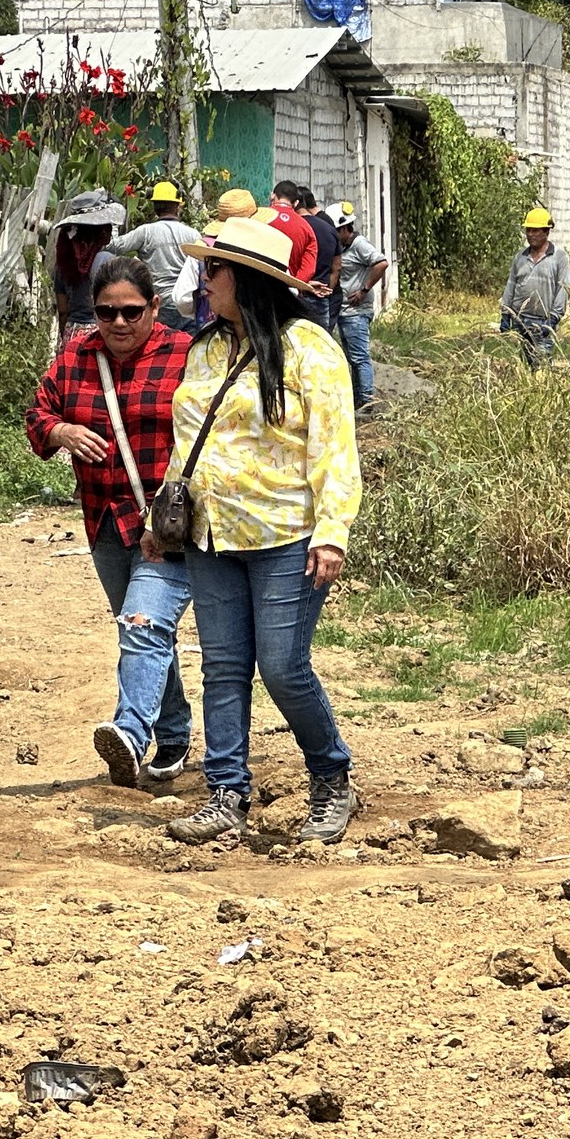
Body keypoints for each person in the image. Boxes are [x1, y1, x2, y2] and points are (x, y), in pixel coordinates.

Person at [159, 214, 361, 847]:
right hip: (210, 534)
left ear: (247, 279)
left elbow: (334, 447)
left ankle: (331, 777)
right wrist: (165, 514)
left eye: (214, 269)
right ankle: (225, 793)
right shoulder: (204, 348)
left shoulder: (309, 349)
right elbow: (189, 439)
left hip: (286, 535)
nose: (204, 279)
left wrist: (332, 530)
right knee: (222, 668)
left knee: (282, 667)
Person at [25, 256, 194, 787]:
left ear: (155, 307)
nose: (119, 323)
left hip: (168, 526)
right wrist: (60, 433)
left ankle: (130, 734)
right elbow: (38, 413)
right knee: (142, 631)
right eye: (106, 312)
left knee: (143, 623)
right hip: (104, 520)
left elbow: (210, 436)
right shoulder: (77, 356)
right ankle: (174, 731)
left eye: (131, 312)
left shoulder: (186, 355)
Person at [106, 181, 202, 331]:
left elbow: (114, 246)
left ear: (155, 206)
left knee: (162, 343)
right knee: (191, 342)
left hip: (159, 303)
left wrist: (113, 221)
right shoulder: (193, 235)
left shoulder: (146, 232)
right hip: (186, 301)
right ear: (177, 206)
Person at [171, 188, 261, 324]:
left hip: (212, 326)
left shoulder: (204, 250)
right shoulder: (264, 248)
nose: (205, 276)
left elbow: (182, 299)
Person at [499, 205, 570, 368]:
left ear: (546, 232)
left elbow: (564, 288)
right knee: (522, 364)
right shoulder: (520, 257)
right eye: (528, 230)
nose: (530, 234)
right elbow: (511, 284)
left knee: (542, 364)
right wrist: (505, 313)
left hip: (543, 321)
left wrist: (554, 318)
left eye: (535, 230)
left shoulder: (559, 257)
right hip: (519, 319)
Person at [330, 207, 387, 412]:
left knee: (360, 358)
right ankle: (358, 400)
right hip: (345, 311)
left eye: (336, 231)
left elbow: (381, 263)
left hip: (357, 312)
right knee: (352, 358)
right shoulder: (343, 247)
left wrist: (364, 289)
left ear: (345, 228)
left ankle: (367, 402)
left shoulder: (359, 245)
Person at [51, 190, 125, 340]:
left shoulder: (63, 263)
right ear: (101, 231)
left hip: (71, 331)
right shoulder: (106, 261)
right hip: (98, 333)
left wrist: (64, 338)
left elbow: (63, 310)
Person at [295, 187, 340, 331]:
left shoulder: (294, 227)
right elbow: (337, 267)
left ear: (295, 203)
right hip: (321, 297)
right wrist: (327, 290)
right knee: (320, 339)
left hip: (295, 294)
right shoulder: (329, 228)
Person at [266, 182, 321, 286]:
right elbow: (309, 270)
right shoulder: (306, 228)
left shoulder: (259, 217)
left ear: (272, 195)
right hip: (286, 290)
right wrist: (294, 285)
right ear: (296, 203)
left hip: (257, 287)